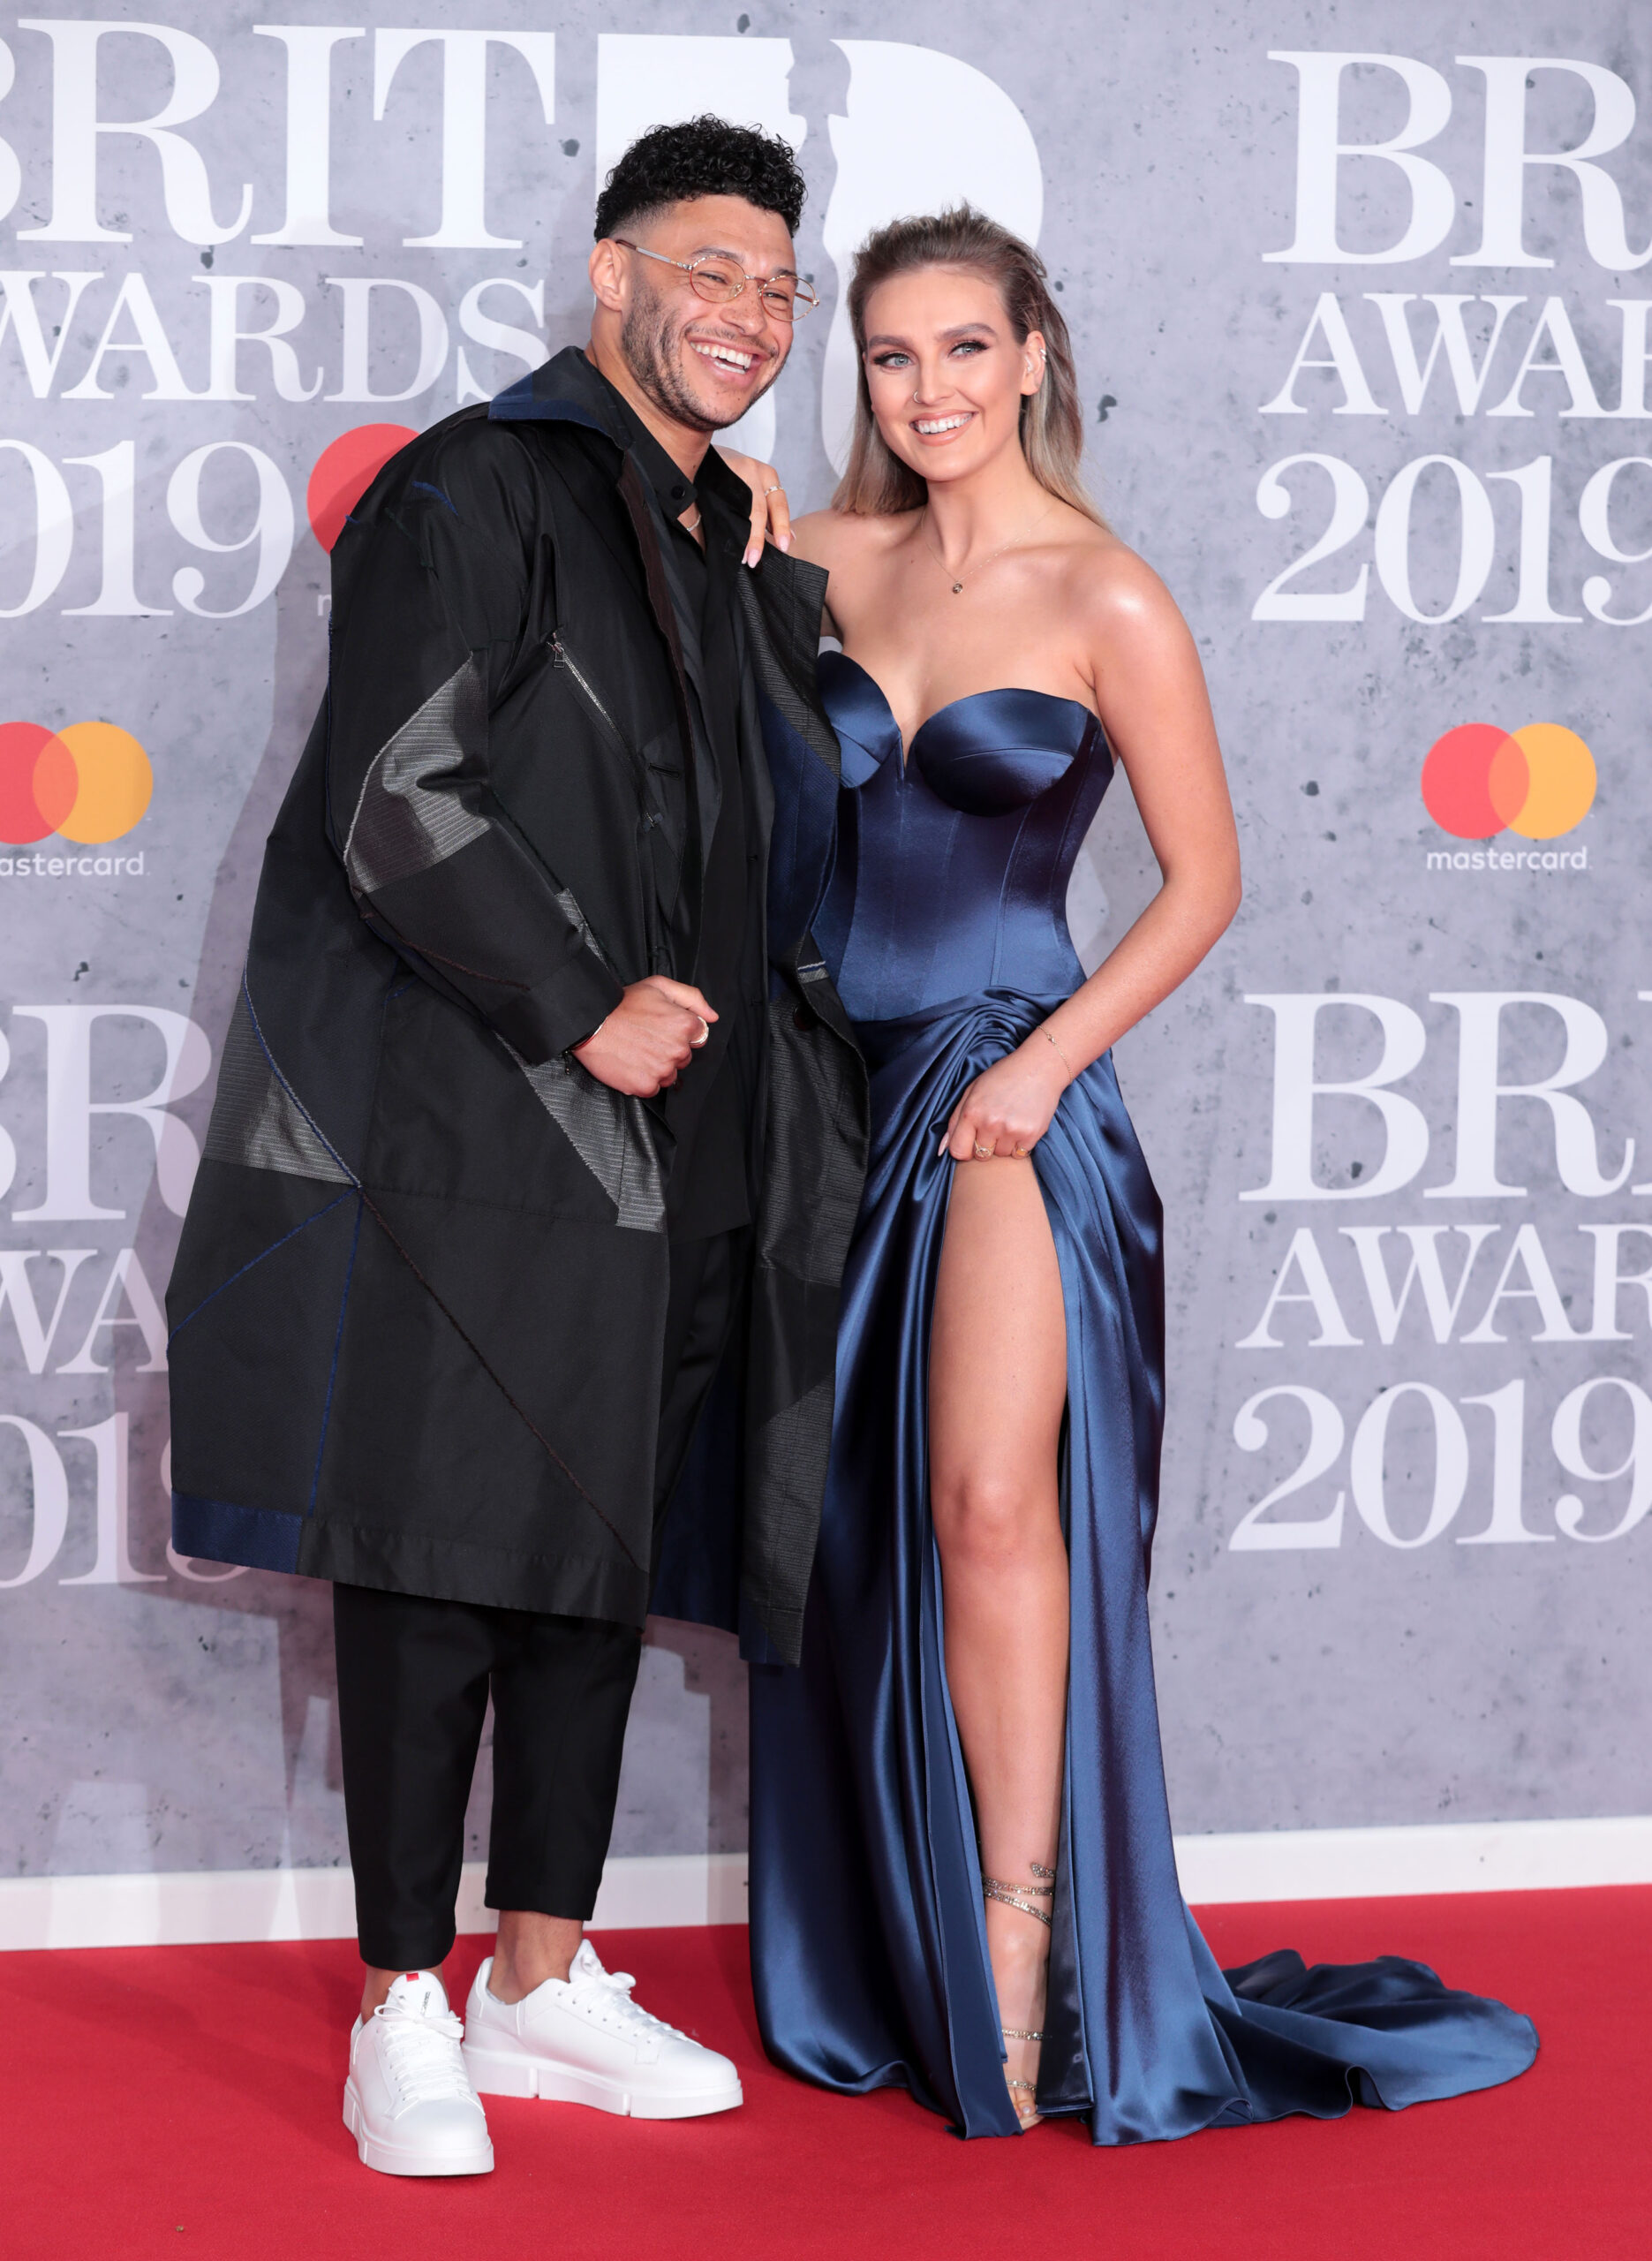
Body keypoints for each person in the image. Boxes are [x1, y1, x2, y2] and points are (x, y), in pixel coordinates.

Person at [742, 208, 1538, 2141]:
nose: (926, 388)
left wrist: (1035, 1065)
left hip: (1013, 1090)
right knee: (849, 1534)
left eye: (961, 348)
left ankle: (1025, 1947)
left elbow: (1206, 883)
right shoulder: (820, 556)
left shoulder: (1113, 598)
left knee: (995, 1506)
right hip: (824, 1098)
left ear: (1033, 354)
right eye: (889, 355)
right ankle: (898, 1934)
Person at [164, 117, 864, 2177]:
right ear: (610, 272)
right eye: (710, 269)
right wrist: (578, 1001)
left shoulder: (729, 536)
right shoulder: (473, 484)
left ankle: (540, 1973)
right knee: (445, 1556)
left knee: (595, 1568)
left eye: (775, 287)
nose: (745, 313)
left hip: (695, 1142)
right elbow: (395, 794)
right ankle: (402, 1999)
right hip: (492, 1119)